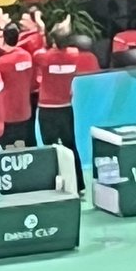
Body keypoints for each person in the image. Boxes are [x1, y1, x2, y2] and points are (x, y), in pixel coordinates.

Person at [34, 23, 100, 190]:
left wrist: (41, 28)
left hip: (48, 109)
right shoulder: (74, 54)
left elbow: (37, 50)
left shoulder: (44, 57)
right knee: (70, 145)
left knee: (51, 148)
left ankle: (54, 184)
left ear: (53, 42)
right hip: (65, 108)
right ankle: (79, 184)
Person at [0, 21, 36, 149]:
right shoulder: (27, 56)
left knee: (9, 149)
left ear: (4, 40)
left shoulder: (1, 63)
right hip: (24, 111)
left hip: (8, 114)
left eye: (0, 36)